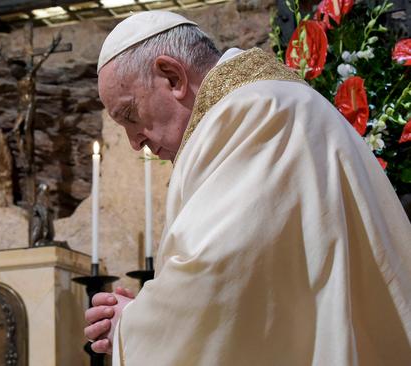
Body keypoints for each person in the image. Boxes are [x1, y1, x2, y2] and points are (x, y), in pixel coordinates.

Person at [84, 10, 411, 365]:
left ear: (172, 76)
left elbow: (218, 277)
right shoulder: (271, 103)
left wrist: (132, 328)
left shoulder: (256, 115)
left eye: (130, 115)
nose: (134, 142)